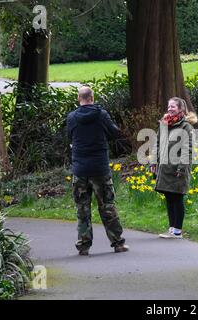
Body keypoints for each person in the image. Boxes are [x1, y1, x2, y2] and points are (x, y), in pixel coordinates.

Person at [66, 86, 128, 255]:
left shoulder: (72, 117)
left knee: (82, 209)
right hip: (100, 167)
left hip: (80, 169)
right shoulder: (101, 115)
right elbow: (114, 133)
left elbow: (69, 136)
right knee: (107, 205)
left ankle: (84, 245)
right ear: (92, 98)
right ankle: (117, 243)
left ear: (79, 98)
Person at [151, 97, 198, 239]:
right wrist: (153, 162)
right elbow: (157, 144)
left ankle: (177, 230)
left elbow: (187, 149)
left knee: (177, 197)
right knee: (169, 196)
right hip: (165, 168)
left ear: (181, 109)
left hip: (177, 168)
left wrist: (182, 168)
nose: (170, 109)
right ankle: (171, 228)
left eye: (173, 107)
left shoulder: (186, 127)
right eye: (169, 106)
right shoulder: (164, 124)